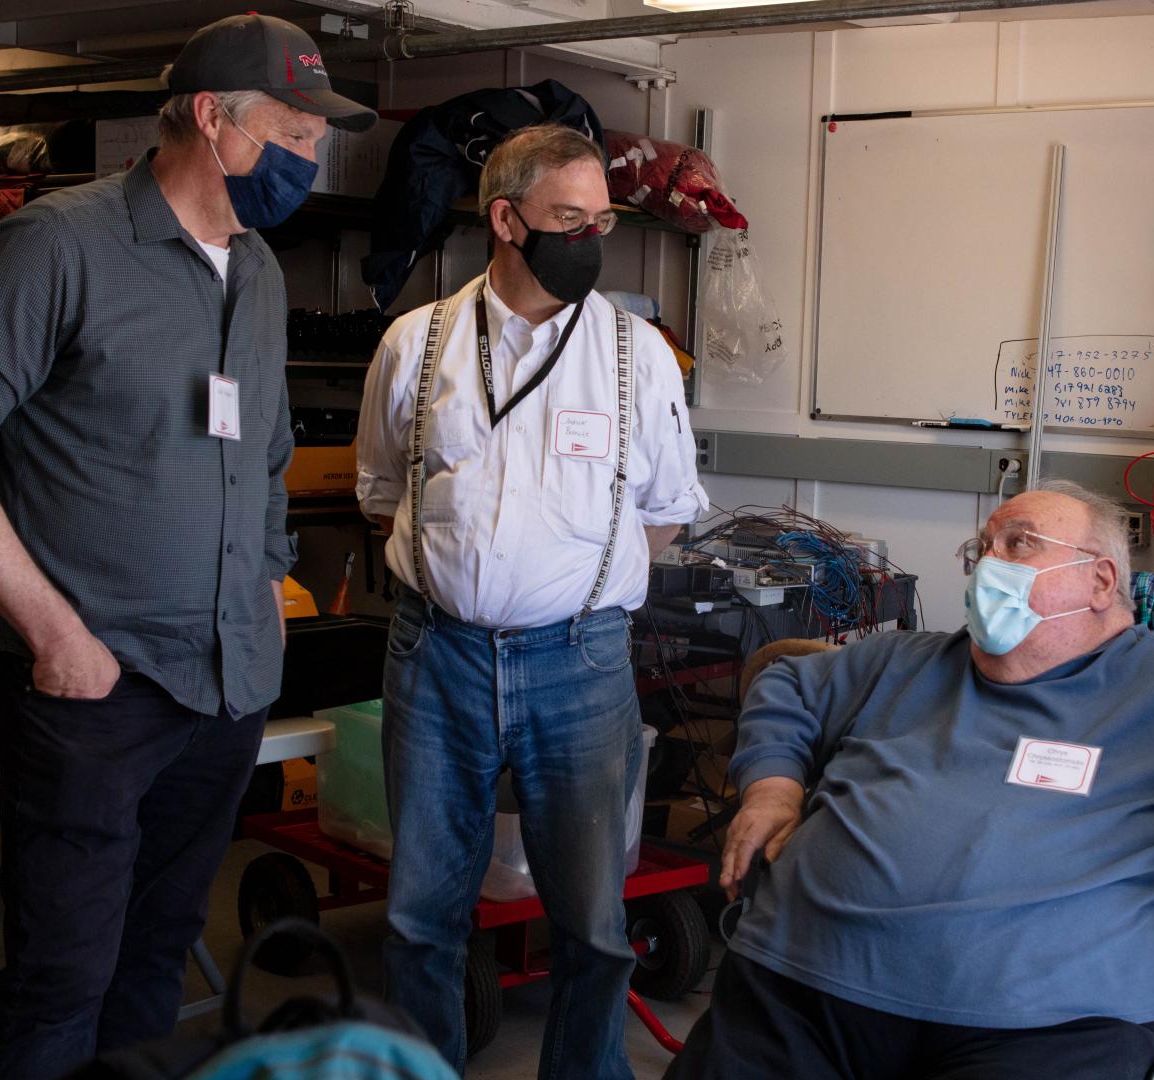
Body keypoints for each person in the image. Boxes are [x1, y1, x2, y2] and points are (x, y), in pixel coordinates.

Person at [0, 14, 375, 1079]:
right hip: (98, 693)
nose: (311, 156)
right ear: (213, 118)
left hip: (226, 685)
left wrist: (264, 588)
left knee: (158, 961)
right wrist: (55, 635)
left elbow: (266, 451)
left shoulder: (260, 269)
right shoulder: (61, 246)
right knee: (63, 977)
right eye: (294, 132)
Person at [664, 481, 1154, 1080]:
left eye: (1018, 544)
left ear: (1100, 579)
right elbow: (785, 683)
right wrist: (772, 786)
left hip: (1045, 1025)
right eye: (981, 549)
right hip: (798, 987)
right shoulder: (906, 660)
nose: (986, 565)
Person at [354, 124, 707, 1076]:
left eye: (602, 220)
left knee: (592, 922)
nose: (592, 239)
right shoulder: (414, 343)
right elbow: (386, 490)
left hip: (582, 661)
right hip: (438, 654)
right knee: (423, 914)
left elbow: (665, 516)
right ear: (505, 220)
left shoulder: (639, 357)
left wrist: (565, 580)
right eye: (570, 219)